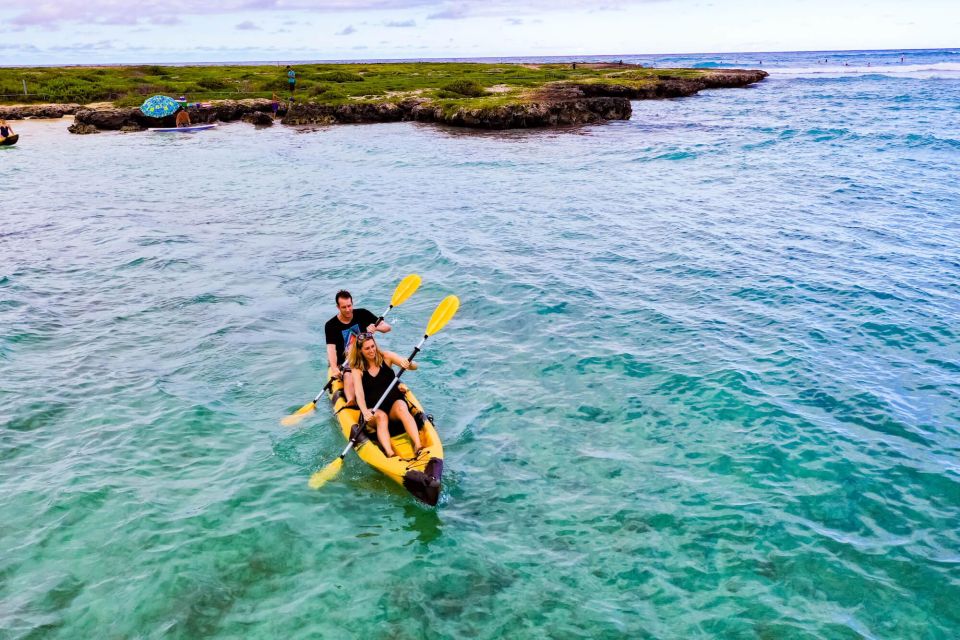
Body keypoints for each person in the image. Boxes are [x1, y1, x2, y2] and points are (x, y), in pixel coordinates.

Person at [349, 332, 420, 457]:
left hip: (393, 407)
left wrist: (409, 364)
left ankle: (418, 445)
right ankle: (390, 453)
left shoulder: (386, 357)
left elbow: (414, 367)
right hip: (374, 410)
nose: (371, 350)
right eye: (367, 348)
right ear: (360, 351)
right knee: (382, 417)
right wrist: (365, 412)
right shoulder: (357, 369)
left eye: (372, 346)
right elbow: (359, 393)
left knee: (402, 407)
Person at [325, 289, 390, 404]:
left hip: (367, 355)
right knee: (349, 374)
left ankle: (390, 389)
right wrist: (334, 368)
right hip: (347, 361)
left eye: (349, 305)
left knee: (382, 364)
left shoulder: (362, 314)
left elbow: (387, 328)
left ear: (352, 303)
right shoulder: (331, 325)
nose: (348, 309)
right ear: (338, 307)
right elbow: (331, 349)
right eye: (344, 307)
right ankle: (351, 401)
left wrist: (376, 328)